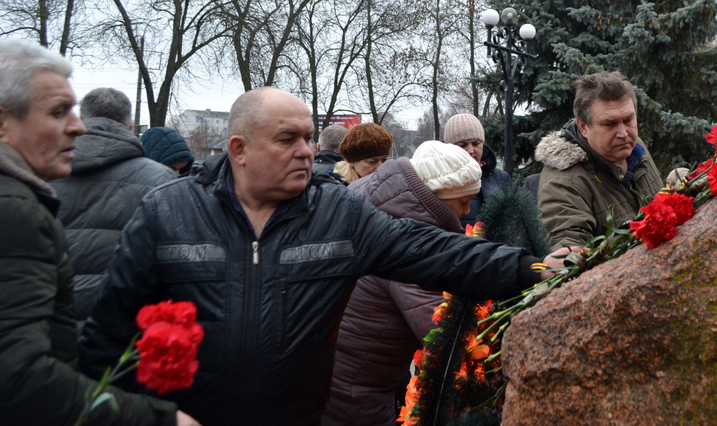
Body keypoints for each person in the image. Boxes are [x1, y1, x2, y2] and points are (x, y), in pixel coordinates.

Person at [78, 86, 571, 426]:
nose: (306, 151)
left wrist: (531, 267)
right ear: (238, 148)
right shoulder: (167, 211)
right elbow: (105, 340)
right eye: (286, 139)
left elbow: (434, 251)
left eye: (309, 138)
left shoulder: (337, 213)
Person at [0, 40, 199, 426]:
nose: (77, 126)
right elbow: (16, 379)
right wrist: (159, 419)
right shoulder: (16, 209)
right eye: (59, 112)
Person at [322, 140, 482, 426]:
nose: (466, 211)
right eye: (462, 201)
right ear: (436, 196)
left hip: (337, 376)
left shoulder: (374, 200)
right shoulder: (411, 241)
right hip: (357, 395)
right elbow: (442, 330)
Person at [50, 87, 177, 328]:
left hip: (50, 326)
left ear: (80, 120)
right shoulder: (162, 181)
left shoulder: (42, 172)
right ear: (130, 127)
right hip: (123, 334)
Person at [535, 71, 664, 248]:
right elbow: (569, 252)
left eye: (628, 120)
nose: (623, 133)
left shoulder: (636, 147)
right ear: (583, 127)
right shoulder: (562, 183)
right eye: (609, 124)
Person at [443, 113, 512, 228]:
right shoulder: (439, 179)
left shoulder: (501, 178)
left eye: (476, 144)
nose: (470, 150)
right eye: (462, 145)